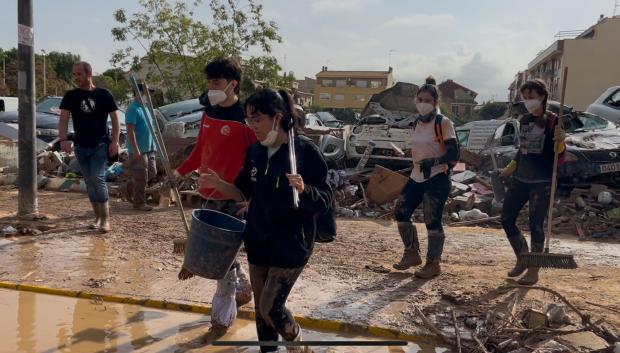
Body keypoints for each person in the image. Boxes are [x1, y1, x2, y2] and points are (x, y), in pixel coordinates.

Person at [199, 89, 331, 353]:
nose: (252, 126)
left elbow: (325, 199)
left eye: (257, 119)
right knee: (261, 311)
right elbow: (243, 192)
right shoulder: (255, 153)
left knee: (271, 306)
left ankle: (297, 343)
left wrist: (305, 190)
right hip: (259, 239)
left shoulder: (304, 152)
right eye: (249, 119)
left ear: (277, 117)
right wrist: (219, 185)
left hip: (292, 243)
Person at [174, 58, 256, 334]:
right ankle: (242, 285)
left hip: (235, 195)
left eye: (216, 82)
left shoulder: (247, 117)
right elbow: (199, 150)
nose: (211, 87)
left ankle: (222, 317)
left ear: (233, 84)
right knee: (223, 251)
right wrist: (180, 172)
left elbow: (257, 158)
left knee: (222, 253)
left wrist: (253, 195)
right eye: (209, 82)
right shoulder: (208, 112)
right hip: (207, 192)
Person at [500, 79, 565, 285]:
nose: (528, 101)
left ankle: (533, 270)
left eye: (532, 97)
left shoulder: (554, 120)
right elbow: (523, 148)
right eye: (525, 97)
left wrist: (561, 141)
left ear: (542, 97)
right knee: (506, 219)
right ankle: (523, 258)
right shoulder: (524, 120)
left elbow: (558, 155)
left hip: (542, 181)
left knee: (535, 224)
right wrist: (512, 165)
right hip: (521, 178)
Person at [393, 76, 459, 279]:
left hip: (437, 177)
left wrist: (435, 161)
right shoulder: (416, 123)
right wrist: (407, 154)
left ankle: (433, 263)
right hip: (417, 175)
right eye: (420, 99)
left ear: (435, 103)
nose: (423, 104)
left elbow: (454, 154)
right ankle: (412, 253)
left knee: (432, 220)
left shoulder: (443, 123)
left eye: (427, 100)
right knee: (401, 212)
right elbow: (420, 147)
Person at [59, 61, 121, 233]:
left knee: (97, 178)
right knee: (89, 181)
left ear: (89, 74)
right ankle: (97, 218)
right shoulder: (70, 95)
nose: (76, 77)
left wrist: (115, 142)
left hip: (100, 145)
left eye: (79, 74)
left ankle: (106, 220)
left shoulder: (104, 94)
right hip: (80, 146)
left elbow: (116, 120)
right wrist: (63, 139)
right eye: (74, 74)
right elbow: (63, 118)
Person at [125, 83, 157, 211]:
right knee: (141, 177)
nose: (148, 95)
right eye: (146, 92)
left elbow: (150, 128)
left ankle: (129, 188)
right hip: (138, 149)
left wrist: (154, 146)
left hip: (149, 148)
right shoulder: (133, 109)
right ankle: (139, 202)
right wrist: (136, 149)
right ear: (139, 93)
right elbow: (130, 130)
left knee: (151, 173)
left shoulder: (146, 109)